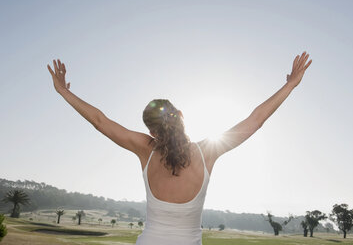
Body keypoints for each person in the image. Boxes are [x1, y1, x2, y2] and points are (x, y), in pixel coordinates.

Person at [47, 51, 312, 244]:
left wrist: (63, 91)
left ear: (151, 131)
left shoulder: (145, 148)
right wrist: (290, 85)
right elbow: (255, 121)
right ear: (182, 115)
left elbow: (100, 121)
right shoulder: (207, 151)